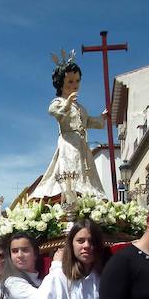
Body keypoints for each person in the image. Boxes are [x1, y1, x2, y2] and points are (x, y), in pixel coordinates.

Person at [29, 52, 108, 199]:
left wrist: (102, 118)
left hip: (82, 145)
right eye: (70, 81)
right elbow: (54, 112)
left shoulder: (80, 107)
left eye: (77, 81)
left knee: (84, 174)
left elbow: (88, 121)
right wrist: (67, 104)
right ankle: (69, 197)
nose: (75, 85)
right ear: (61, 83)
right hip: (68, 142)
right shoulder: (58, 102)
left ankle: (85, 197)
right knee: (69, 170)